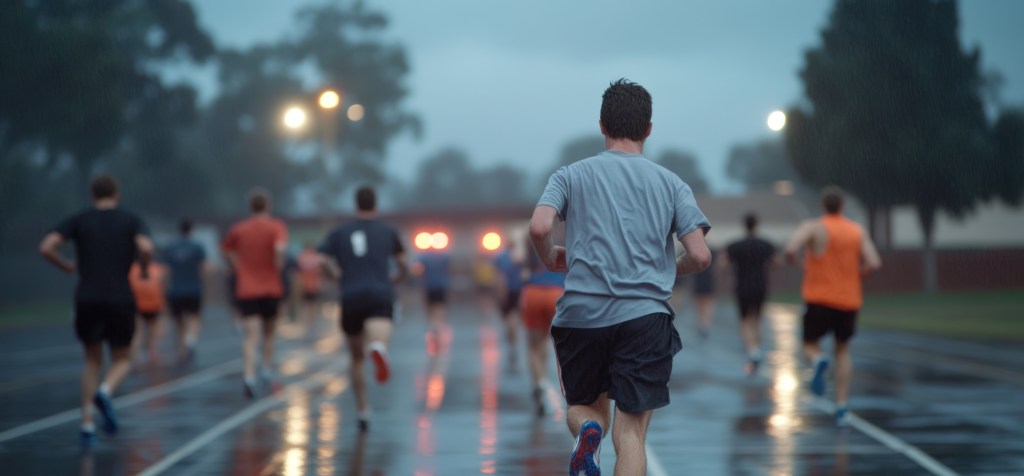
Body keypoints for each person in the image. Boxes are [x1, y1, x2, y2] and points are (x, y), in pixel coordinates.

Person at [530, 79, 712, 476]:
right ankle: (600, 438)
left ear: (602, 125)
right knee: (630, 435)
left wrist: (551, 258)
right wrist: (666, 269)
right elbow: (700, 255)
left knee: (584, 409)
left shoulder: (569, 175)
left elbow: (540, 227)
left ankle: (588, 430)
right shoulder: (672, 184)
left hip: (582, 316)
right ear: (648, 129)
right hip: (644, 318)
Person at [38, 174, 154, 447]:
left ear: (93, 194)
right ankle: (105, 391)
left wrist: (65, 265)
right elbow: (146, 247)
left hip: (87, 296)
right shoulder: (130, 219)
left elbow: (46, 247)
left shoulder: (80, 219)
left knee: (92, 361)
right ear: (116, 194)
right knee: (123, 358)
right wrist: (143, 268)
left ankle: (87, 425)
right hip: (119, 296)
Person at [785, 186, 881, 427]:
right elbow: (873, 262)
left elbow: (790, 250)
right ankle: (841, 407)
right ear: (843, 206)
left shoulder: (813, 227)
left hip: (818, 298)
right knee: (843, 350)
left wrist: (799, 264)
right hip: (848, 300)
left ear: (822, 206)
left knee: (810, 344)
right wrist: (856, 275)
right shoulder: (856, 230)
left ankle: (818, 359)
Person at [318, 186, 408, 431]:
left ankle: (362, 410)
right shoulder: (388, 230)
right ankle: (379, 347)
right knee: (381, 332)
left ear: (356, 203)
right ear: (375, 203)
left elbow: (322, 259)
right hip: (380, 291)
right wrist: (398, 277)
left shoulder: (340, 232)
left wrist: (335, 275)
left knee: (356, 358)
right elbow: (403, 262)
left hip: (351, 294)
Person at [222, 188, 289, 399]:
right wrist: (278, 264)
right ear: (268, 205)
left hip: (247, 288)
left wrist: (237, 266)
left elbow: (226, 249)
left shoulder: (239, 229)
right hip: (270, 288)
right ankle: (266, 370)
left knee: (250, 337)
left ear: (250, 206)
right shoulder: (276, 226)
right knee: (269, 334)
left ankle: (249, 378)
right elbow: (279, 249)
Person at [722, 213, 778, 375]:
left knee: (745, 320)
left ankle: (753, 352)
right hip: (760, 286)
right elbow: (777, 263)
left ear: (744, 225)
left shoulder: (735, 245)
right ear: (756, 225)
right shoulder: (765, 245)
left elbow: (723, 264)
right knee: (758, 319)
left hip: (743, 287)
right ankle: (756, 349)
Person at [521, 232, 565, 417]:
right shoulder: (566, 237)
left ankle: (540, 382)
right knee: (556, 345)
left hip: (533, 292)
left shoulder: (530, 242)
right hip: (558, 293)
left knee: (534, 346)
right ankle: (569, 388)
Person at [164, 219, 207, 365]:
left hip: (175, 290)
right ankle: (190, 340)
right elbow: (204, 268)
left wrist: (167, 288)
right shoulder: (197, 247)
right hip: (193, 288)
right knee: (194, 318)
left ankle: (181, 352)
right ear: (191, 230)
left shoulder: (171, 247)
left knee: (179, 324)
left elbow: (167, 271)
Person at [494, 240, 525, 369]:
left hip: (506, 290)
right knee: (514, 318)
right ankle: (513, 340)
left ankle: (512, 340)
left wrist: (500, 293)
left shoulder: (500, 256)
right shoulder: (519, 256)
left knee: (508, 319)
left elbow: (500, 276)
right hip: (518, 290)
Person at [129, 259, 167, 365]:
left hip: (139, 305)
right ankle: (151, 350)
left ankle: (135, 355)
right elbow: (163, 286)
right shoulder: (156, 269)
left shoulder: (132, 270)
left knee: (138, 332)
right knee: (151, 331)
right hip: (154, 304)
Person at [418, 246, 452, 356]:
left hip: (429, 286)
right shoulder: (443, 256)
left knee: (430, 309)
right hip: (441, 286)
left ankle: (433, 327)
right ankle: (436, 327)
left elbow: (418, 270)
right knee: (439, 309)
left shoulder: (425, 256)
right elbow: (450, 267)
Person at [297, 242, 324, 335]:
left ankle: (309, 324)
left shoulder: (303, 257)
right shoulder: (315, 258)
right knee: (309, 305)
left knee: (309, 305)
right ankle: (309, 324)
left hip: (310, 285)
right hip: (308, 285)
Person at [691, 248, 717, 340]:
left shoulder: (695, 253)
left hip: (699, 283)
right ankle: (704, 324)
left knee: (701, 307)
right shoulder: (712, 253)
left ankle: (702, 324)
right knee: (707, 306)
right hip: (707, 282)